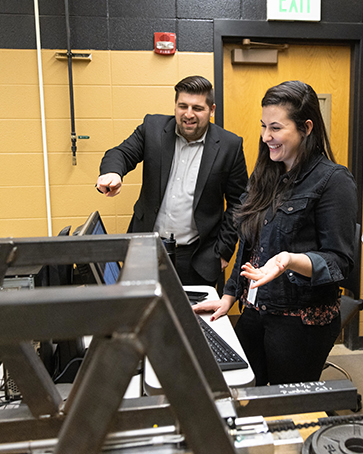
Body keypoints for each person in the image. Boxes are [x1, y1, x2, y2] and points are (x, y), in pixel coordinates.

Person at [193, 80, 358, 386]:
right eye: (263, 126)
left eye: (276, 128)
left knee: (286, 410)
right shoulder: (267, 172)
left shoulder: (334, 181)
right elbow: (247, 240)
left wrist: (289, 260)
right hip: (257, 310)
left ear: (306, 128)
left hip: (300, 322)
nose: (266, 136)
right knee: (241, 390)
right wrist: (229, 295)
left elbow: (339, 262)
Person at [96, 75, 248, 286]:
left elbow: (239, 202)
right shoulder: (153, 128)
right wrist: (113, 172)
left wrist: (223, 250)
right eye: (182, 106)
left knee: (193, 318)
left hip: (198, 256)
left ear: (212, 110)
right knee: (141, 315)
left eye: (197, 108)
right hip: (146, 249)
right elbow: (121, 153)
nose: (188, 114)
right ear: (175, 106)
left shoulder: (230, 145)